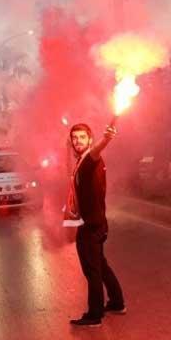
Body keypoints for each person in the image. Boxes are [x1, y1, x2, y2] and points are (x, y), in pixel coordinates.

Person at [66, 123, 125, 327]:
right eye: (74, 138)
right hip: (97, 222)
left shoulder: (90, 159)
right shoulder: (82, 161)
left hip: (90, 226)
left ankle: (95, 315)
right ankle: (117, 303)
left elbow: (96, 151)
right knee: (101, 265)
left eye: (82, 137)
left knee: (92, 271)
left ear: (90, 139)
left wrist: (107, 138)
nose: (78, 141)